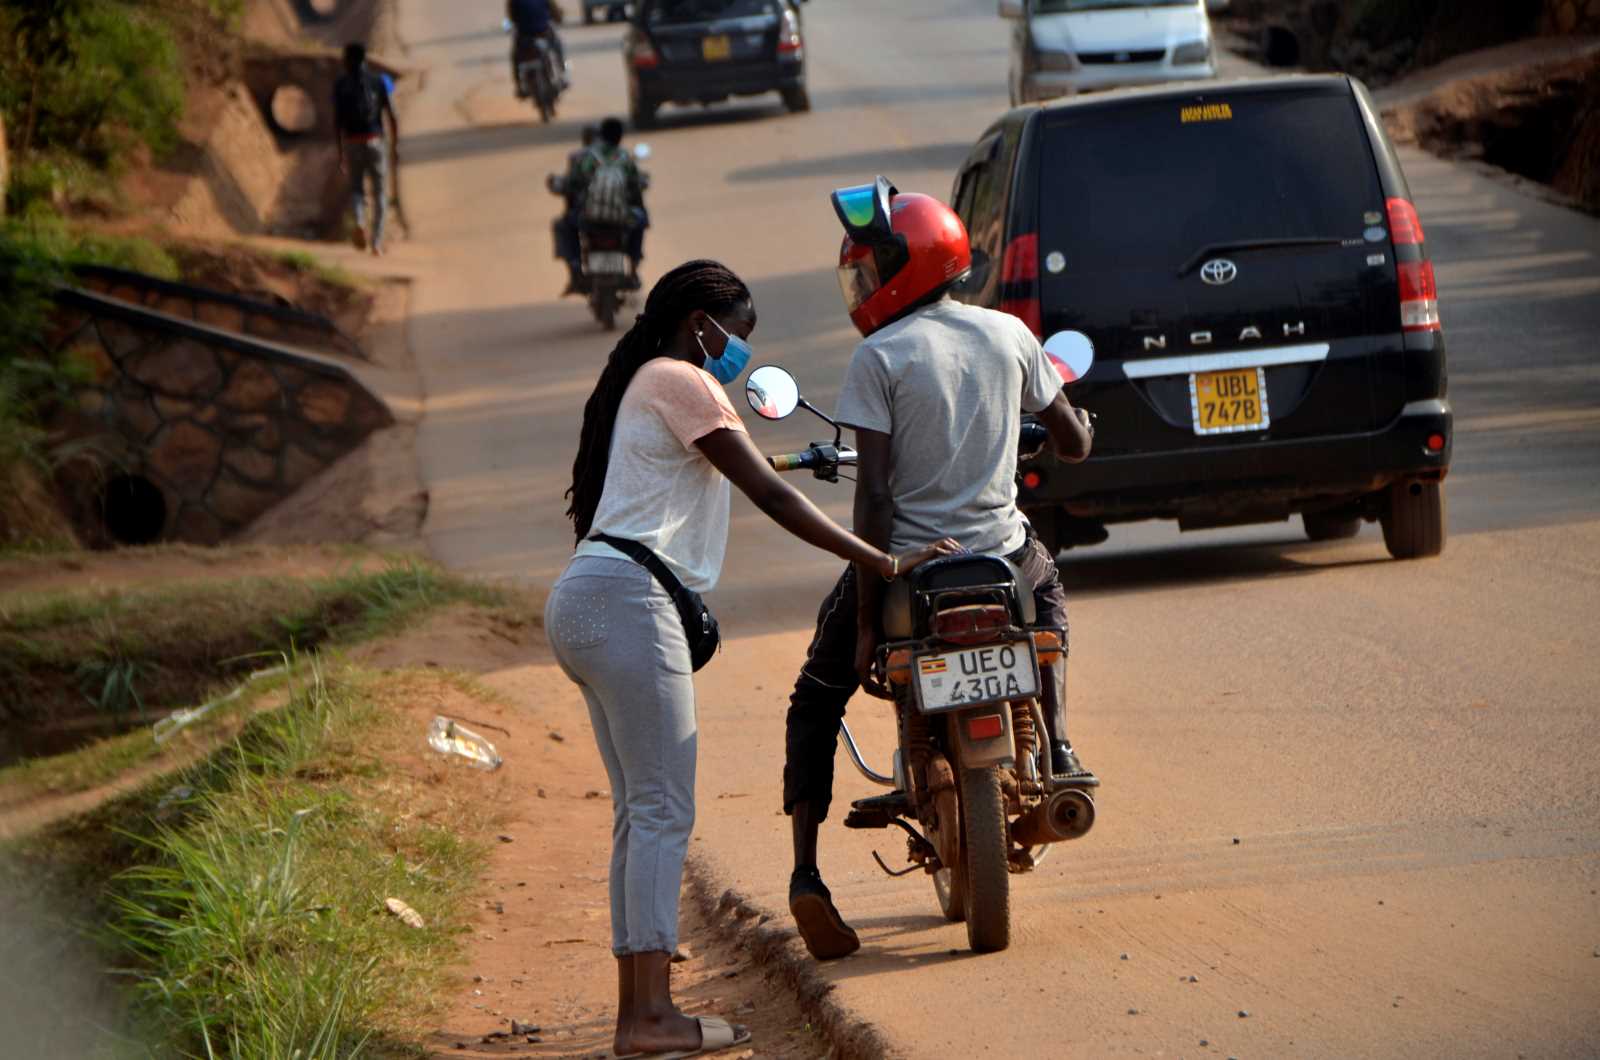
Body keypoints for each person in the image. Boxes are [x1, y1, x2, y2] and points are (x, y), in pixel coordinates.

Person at [545, 260, 958, 1058]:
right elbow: (770, 496)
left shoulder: (644, 384)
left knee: (642, 812)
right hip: (630, 604)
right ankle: (652, 1016)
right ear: (701, 322)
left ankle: (642, 1014)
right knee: (665, 809)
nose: (739, 350)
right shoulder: (685, 378)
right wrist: (882, 559)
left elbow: (747, 471)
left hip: (588, 599)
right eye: (738, 334)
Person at [782, 178, 1099, 961]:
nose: (861, 285)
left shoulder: (879, 357)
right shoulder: (1009, 334)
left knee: (816, 696)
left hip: (913, 572)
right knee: (1049, 611)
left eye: (870, 267)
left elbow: (877, 498)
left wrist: (864, 618)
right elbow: (1072, 444)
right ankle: (1057, 747)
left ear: (907, 265)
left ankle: (806, 874)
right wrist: (1079, 423)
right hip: (1005, 560)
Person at [332, 42, 398, 256]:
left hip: (352, 142)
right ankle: (376, 243)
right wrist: (394, 145)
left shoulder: (340, 85)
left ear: (348, 60)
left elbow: (337, 123)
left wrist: (341, 154)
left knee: (357, 190)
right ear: (365, 59)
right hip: (376, 141)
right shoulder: (380, 81)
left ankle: (360, 222)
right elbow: (392, 115)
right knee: (380, 193)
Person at [568, 117, 648, 291]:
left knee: (567, 223)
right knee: (641, 220)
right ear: (620, 137)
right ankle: (633, 268)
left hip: (589, 218)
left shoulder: (588, 157)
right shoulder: (625, 157)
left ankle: (575, 268)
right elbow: (635, 183)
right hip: (621, 218)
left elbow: (574, 181)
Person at [553, 124, 599, 296]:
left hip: (584, 214)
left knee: (562, 225)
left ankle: (574, 268)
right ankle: (635, 262)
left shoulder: (577, 157)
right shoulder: (618, 154)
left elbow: (568, 184)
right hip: (617, 216)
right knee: (639, 219)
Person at [508, 0, 566, 97]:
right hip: (543, 34)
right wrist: (558, 17)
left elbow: (512, 18)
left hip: (525, 37)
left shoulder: (514, 1)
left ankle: (519, 86)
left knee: (515, 57)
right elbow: (556, 13)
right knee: (558, 47)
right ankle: (562, 74)